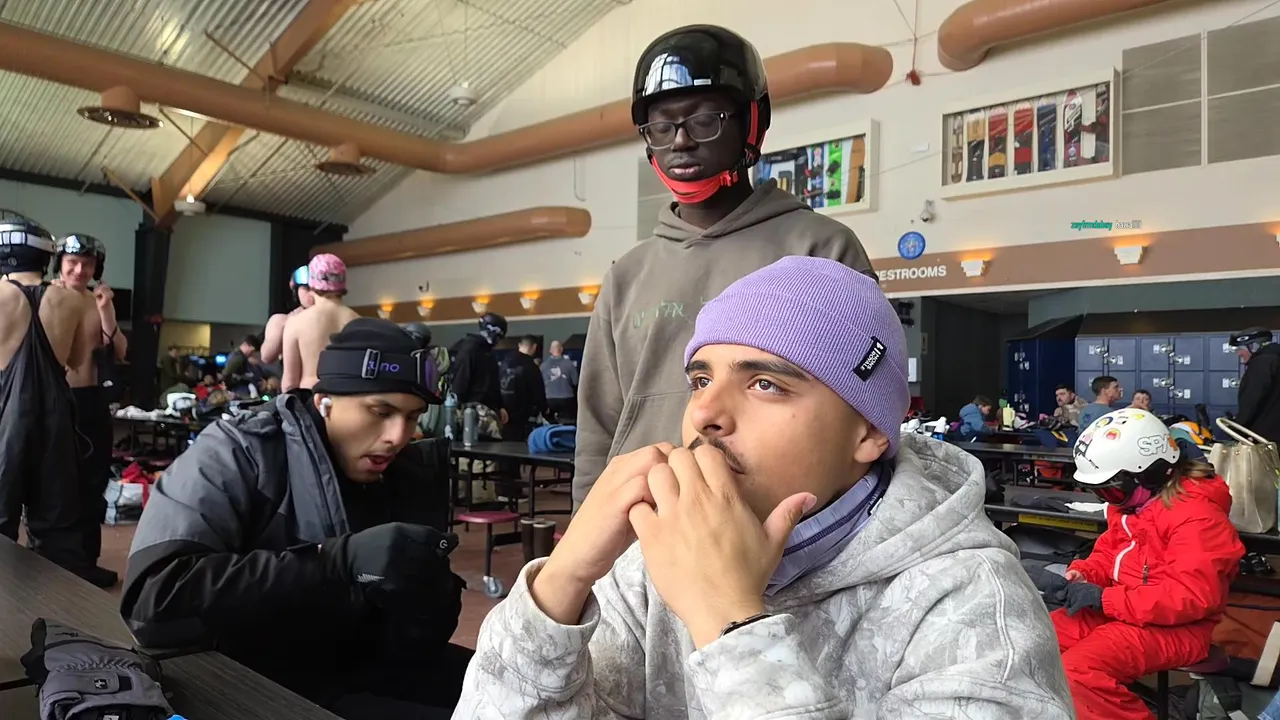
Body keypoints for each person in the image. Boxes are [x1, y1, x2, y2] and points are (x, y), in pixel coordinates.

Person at [456, 257, 1072, 718]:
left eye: (766, 384)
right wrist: (560, 585)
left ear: (867, 432)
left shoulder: (975, 609)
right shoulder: (652, 562)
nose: (704, 413)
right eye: (701, 380)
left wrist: (728, 619)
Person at [572, 24, 875, 509]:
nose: (681, 141)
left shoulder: (820, 247)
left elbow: (863, 402)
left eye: (704, 120)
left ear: (752, 121)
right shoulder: (627, 274)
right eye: (661, 127)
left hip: (780, 524)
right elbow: (598, 425)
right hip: (643, 519)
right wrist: (586, 528)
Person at [121, 318, 470, 720]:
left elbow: (413, 643)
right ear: (325, 401)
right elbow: (153, 600)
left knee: (516, 693)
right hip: (256, 681)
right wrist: (330, 562)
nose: (398, 435)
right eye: (381, 411)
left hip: (362, 665)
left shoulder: (405, 471)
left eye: (412, 417)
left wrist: (432, 596)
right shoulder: (240, 452)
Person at [1056, 407, 1245, 720]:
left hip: (1179, 628)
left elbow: (1191, 596)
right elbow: (1107, 555)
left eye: (1112, 489)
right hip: (1123, 610)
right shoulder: (1130, 508)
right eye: (1101, 492)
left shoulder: (1197, 517)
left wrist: (1104, 599)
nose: (1109, 499)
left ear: (1151, 474)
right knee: (1030, 637)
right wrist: (1082, 575)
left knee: (1078, 673)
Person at [0, 211, 100, 578]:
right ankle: (51, 601)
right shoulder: (71, 300)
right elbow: (75, 359)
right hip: (54, 418)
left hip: (5, 417)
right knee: (56, 525)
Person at [54, 233, 128, 588]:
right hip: (57, 399)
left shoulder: (96, 301)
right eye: (73, 262)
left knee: (93, 481)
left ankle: (86, 560)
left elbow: (120, 351)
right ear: (60, 263)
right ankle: (55, 557)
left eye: (87, 264)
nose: (79, 270)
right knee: (57, 482)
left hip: (92, 400)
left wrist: (106, 312)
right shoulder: (48, 297)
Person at [282, 254, 359, 392]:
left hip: (310, 399)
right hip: (347, 400)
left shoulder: (295, 323)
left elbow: (289, 384)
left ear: (311, 282)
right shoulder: (360, 322)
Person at [449, 312, 508, 436]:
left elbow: (493, 382)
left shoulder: (488, 352)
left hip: (487, 410)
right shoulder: (470, 350)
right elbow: (460, 381)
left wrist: (500, 406)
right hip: (473, 411)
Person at [1232, 326, 1280, 443]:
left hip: (1264, 439)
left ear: (1253, 347)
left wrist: (1236, 427)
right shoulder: (1275, 359)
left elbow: (1251, 400)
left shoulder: (1261, 364)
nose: (1239, 354)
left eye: (1240, 349)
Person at [261, 265, 315, 366]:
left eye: (316, 290)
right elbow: (266, 356)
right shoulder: (282, 320)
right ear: (296, 291)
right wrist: (285, 326)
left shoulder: (333, 318)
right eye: (307, 288)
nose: (312, 294)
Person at [499, 335, 547, 442]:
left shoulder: (505, 362)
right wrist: (543, 408)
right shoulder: (530, 366)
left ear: (519, 345)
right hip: (523, 414)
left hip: (504, 411)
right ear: (534, 347)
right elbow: (538, 391)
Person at [541, 339, 578, 423]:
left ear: (550, 350)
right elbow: (575, 381)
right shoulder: (569, 364)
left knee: (550, 423)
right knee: (568, 423)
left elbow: (540, 384)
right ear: (561, 349)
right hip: (566, 398)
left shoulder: (543, 366)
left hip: (549, 398)